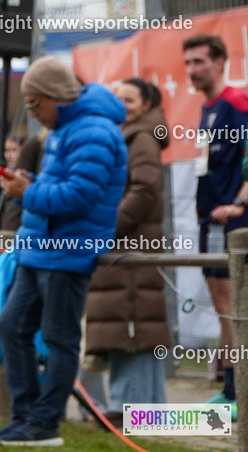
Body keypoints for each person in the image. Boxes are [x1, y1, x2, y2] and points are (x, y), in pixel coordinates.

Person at [0, 56, 127, 446]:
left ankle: (45, 424)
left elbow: (80, 196)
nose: (32, 113)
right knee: (11, 327)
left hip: (68, 251)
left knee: (60, 338)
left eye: (34, 104)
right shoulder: (66, 127)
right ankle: (24, 417)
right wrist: (29, 182)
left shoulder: (94, 130)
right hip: (40, 249)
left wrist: (26, 192)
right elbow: (63, 185)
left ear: (55, 98)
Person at [84, 78, 169, 423]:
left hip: (130, 246)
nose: (122, 104)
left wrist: (108, 228)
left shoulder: (142, 137)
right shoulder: (129, 135)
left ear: (146, 105)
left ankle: (130, 408)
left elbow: (145, 190)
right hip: (124, 245)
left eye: (129, 99)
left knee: (132, 324)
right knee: (130, 324)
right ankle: (149, 411)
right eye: (118, 97)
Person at [183, 34, 244, 418]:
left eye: (199, 62)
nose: (192, 70)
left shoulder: (237, 104)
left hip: (236, 224)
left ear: (221, 62)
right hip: (210, 223)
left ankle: (239, 392)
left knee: (236, 307)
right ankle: (231, 389)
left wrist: (238, 204)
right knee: (224, 309)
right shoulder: (207, 109)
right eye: (188, 63)